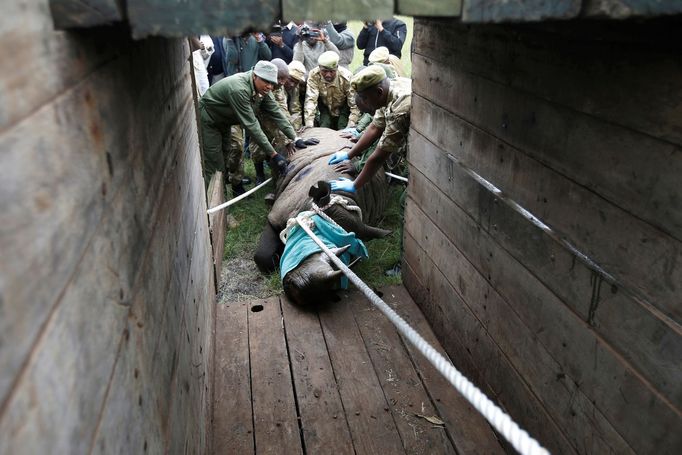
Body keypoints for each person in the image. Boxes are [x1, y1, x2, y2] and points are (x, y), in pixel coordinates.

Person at [199, 61, 298, 195]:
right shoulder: (239, 89)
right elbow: (252, 126)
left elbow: (277, 113)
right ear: (255, 76)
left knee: (225, 155)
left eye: (272, 83)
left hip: (225, 121)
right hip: (210, 121)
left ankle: (223, 192)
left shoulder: (264, 88)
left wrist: (296, 137)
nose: (269, 86)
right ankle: (215, 205)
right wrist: (274, 155)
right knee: (214, 163)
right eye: (266, 82)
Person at [327, 65, 411, 192]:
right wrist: (348, 155)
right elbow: (375, 127)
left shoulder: (400, 107)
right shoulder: (387, 91)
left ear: (379, 92)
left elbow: (380, 154)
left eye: (364, 98)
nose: (364, 103)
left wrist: (355, 185)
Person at [304, 51, 359, 130]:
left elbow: (354, 103)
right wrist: (309, 123)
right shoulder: (314, 75)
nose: (328, 75)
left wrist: (352, 122)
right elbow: (311, 100)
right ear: (319, 68)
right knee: (324, 126)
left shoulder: (346, 77)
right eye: (324, 71)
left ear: (337, 68)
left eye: (331, 71)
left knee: (342, 127)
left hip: (343, 106)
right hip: (325, 106)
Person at [286, 60, 307, 131]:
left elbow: (295, 109)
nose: (292, 84)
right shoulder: (277, 85)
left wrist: (297, 129)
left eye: (296, 82)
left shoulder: (295, 88)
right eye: (290, 80)